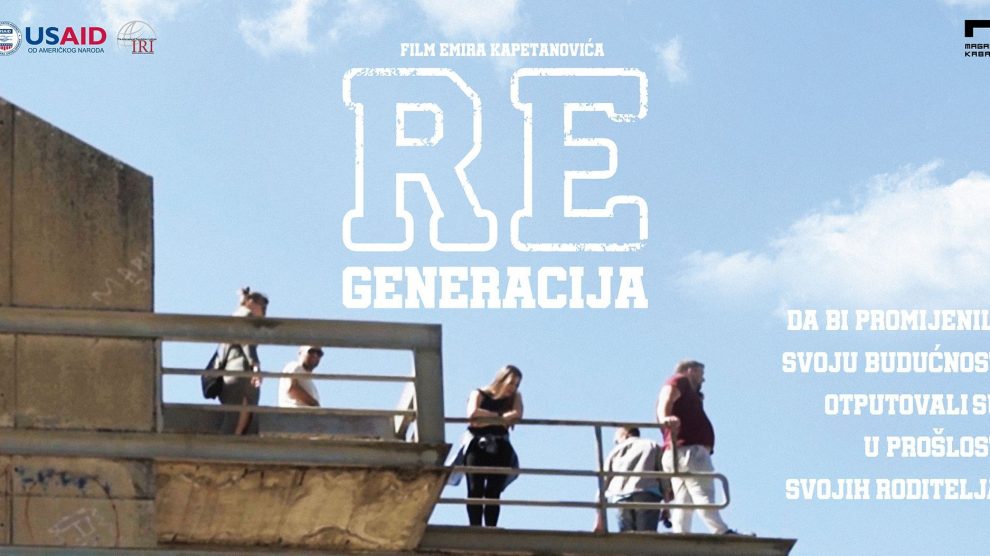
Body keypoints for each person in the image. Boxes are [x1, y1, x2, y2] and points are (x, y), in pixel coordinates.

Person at [655, 360, 736, 534]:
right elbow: (666, 397)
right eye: (701, 374)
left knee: (684, 499)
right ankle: (720, 530)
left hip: (678, 451)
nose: (703, 379)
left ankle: (681, 533)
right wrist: (665, 418)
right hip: (689, 451)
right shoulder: (679, 380)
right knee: (703, 492)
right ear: (690, 370)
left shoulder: (689, 392)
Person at [463, 364, 523, 527]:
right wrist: (500, 418)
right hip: (477, 445)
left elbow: (517, 414)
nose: (513, 388)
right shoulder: (479, 393)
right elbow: (473, 414)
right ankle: (475, 528)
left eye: (516, 384)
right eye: (511, 383)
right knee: (475, 489)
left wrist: (486, 419)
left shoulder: (515, 397)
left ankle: (491, 528)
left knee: (493, 491)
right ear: (501, 379)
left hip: (501, 446)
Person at [594, 427, 669, 533]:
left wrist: (599, 518)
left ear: (626, 435)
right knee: (647, 536)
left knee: (627, 537)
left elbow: (603, 484)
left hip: (621, 496)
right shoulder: (652, 445)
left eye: (617, 440)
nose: (617, 443)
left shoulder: (615, 451)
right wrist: (667, 505)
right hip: (647, 494)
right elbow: (664, 478)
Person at [218, 287, 268, 435]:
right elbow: (247, 342)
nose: (263, 312)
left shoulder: (234, 320)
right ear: (251, 302)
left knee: (238, 423)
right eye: (262, 306)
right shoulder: (245, 315)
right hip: (241, 374)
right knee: (240, 425)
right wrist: (255, 365)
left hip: (231, 376)